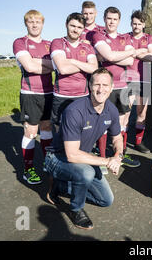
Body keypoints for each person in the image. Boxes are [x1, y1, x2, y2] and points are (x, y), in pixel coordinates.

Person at [45, 68, 123, 230]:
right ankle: (75, 209)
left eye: (105, 85)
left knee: (106, 200)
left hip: (83, 157)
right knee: (86, 173)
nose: (101, 89)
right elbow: (72, 155)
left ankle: (60, 186)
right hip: (57, 158)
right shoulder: (75, 111)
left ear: (112, 87)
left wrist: (117, 156)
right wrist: (107, 161)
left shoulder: (111, 110)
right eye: (97, 84)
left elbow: (117, 138)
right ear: (89, 85)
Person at [92, 6, 142, 167]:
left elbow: (128, 60)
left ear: (119, 21)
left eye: (115, 19)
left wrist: (109, 57)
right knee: (103, 122)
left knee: (123, 122)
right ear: (104, 19)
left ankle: (119, 155)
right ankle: (102, 158)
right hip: (105, 87)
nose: (112, 22)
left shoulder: (125, 38)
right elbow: (109, 55)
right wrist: (114, 55)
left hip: (122, 86)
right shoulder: (98, 35)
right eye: (109, 18)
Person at [13, 10, 54, 185]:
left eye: (38, 21)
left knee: (46, 128)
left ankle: (47, 162)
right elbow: (29, 66)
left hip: (49, 93)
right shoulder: (20, 42)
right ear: (26, 24)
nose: (35, 24)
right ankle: (28, 170)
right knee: (30, 131)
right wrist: (46, 65)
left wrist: (39, 63)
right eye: (31, 21)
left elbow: (56, 65)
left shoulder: (49, 44)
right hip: (30, 93)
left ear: (43, 23)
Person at [50, 13, 98, 133]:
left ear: (83, 29)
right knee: (59, 130)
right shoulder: (57, 43)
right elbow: (63, 69)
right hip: (62, 96)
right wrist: (84, 65)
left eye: (79, 27)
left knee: (81, 129)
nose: (75, 30)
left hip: (82, 96)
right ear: (66, 25)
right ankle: (58, 151)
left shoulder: (87, 47)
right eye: (72, 26)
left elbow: (94, 69)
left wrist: (72, 61)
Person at [125, 10, 152, 153]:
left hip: (144, 79)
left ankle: (139, 142)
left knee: (141, 113)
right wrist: (143, 52)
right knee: (125, 113)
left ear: (143, 24)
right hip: (128, 79)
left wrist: (135, 52)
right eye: (134, 23)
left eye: (139, 23)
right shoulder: (125, 38)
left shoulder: (149, 38)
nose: (136, 26)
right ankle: (123, 144)